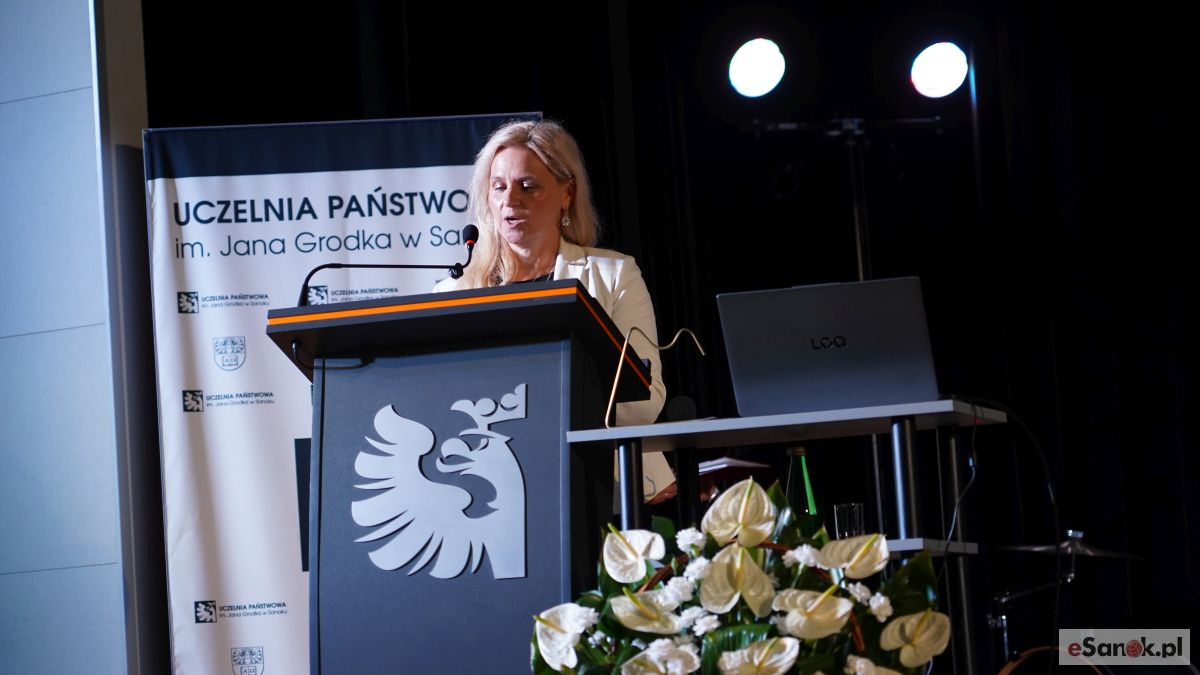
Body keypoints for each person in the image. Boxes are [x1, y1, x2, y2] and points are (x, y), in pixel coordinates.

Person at [434, 119, 667, 427]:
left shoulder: (614, 276)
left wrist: (542, 409)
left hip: (593, 455)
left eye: (527, 186)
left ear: (567, 193)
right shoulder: (453, 292)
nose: (509, 200)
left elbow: (646, 403)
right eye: (499, 187)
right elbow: (441, 400)